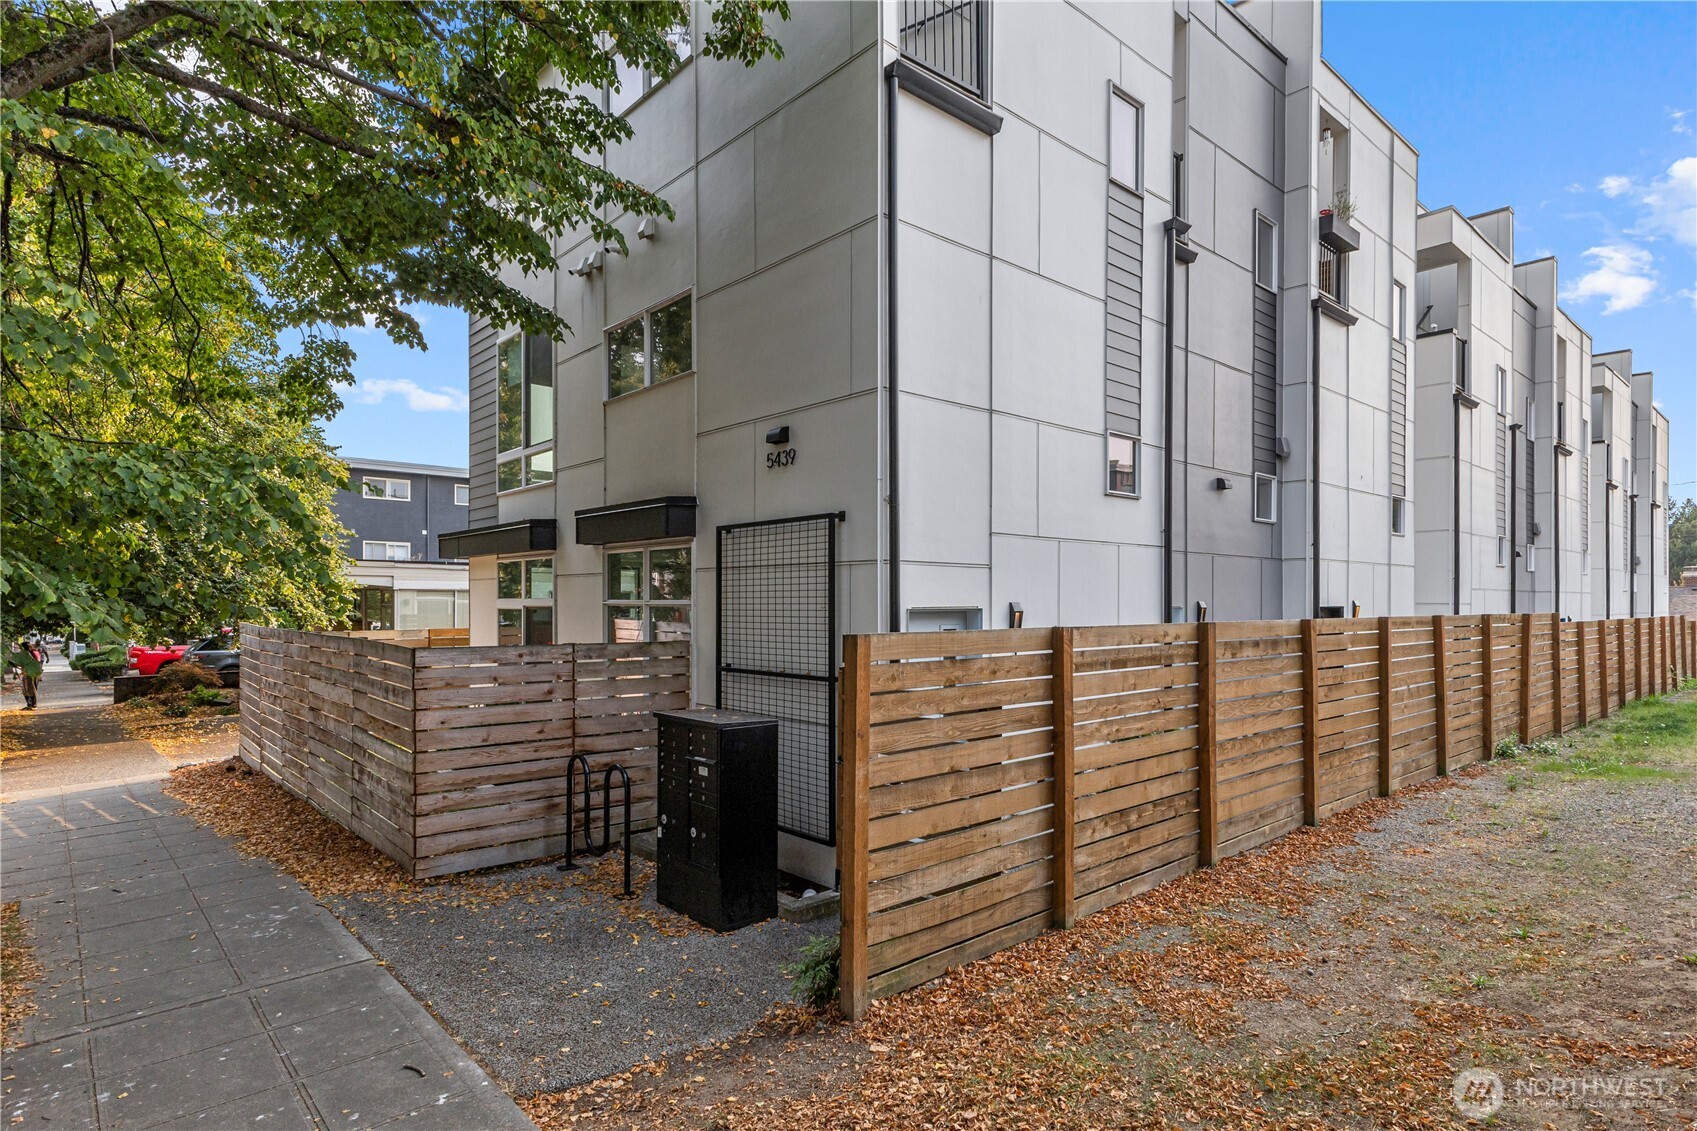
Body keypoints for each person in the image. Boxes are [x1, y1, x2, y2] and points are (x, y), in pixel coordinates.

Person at [20, 637, 45, 710]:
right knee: (25, 689)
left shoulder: (32, 653)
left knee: (31, 688)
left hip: (32, 673)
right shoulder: (28, 653)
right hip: (28, 673)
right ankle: (29, 704)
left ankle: (33, 705)